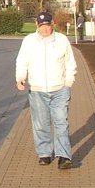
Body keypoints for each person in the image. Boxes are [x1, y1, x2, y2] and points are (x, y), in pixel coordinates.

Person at [15, 11, 77, 170]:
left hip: (60, 89)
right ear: (37, 25)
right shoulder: (29, 41)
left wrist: (68, 82)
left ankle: (64, 156)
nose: (45, 29)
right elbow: (22, 61)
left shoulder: (62, 40)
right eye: (42, 26)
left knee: (61, 122)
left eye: (47, 25)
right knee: (40, 123)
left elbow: (70, 62)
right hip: (37, 89)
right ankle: (44, 153)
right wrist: (20, 78)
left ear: (52, 24)